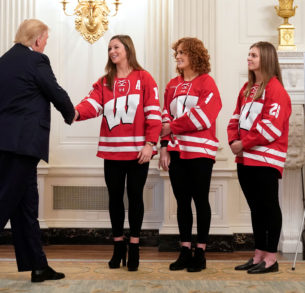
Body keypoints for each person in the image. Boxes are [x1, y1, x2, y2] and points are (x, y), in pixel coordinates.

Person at [0, 19, 75, 286]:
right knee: (4, 202)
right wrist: (72, 112)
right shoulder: (37, 61)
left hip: (5, 141)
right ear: (36, 40)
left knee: (26, 204)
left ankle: (38, 266)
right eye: (45, 40)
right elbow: (54, 91)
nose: (45, 45)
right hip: (24, 143)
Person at [74, 35, 162, 272]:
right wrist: (73, 112)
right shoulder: (105, 82)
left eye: (116, 47)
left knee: (135, 198)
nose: (112, 51)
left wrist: (150, 144)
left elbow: (154, 114)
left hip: (137, 153)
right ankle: (117, 246)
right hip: (112, 152)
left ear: (128, 50)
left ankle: (134, 246)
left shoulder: (144, 78)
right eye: (110, 48)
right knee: (114, 199)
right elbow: (92, 104)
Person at [227, 41, 291, 274]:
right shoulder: (248, 88)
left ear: (266, 57)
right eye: (249, 54)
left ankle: (271, 259)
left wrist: (243, 142)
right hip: (245, 159)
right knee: (256, 208)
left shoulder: (276, 90)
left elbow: (272, 127)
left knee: (269, 207)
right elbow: (235, 118)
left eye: (253, 54)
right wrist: (233, 141)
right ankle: (258, 255)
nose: (249, 58)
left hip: (265, 160)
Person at [159, 37, 222, 272]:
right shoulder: (172, 85)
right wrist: (164, 147)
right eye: (176, 52)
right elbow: (164, 114)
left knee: (200, 200)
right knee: (182, 202)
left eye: (183, 52)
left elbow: (205, 115)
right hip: (176, 152)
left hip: (201, 152)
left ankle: (201, 252)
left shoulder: (207, 83)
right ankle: (185, 249)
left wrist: (172, 128)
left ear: (195, 55)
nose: (178, 56)